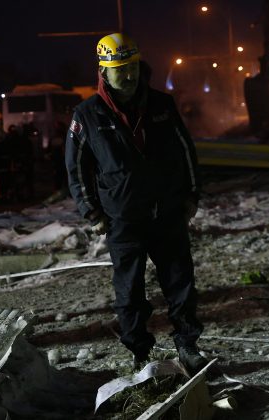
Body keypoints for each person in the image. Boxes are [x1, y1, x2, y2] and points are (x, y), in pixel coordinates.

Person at [65, 33, 207, 373]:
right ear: (103, 71)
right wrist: (91, 211)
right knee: (129, 293)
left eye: (132, 68)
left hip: (168, 213)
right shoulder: (87, 114)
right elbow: (76, 168)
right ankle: (140, 352)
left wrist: (191, 195)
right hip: (123, 220)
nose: (128, 76)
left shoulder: (162, 105)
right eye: (119, 70)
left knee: (181, 284)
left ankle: (188, 345)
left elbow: (186, 151)